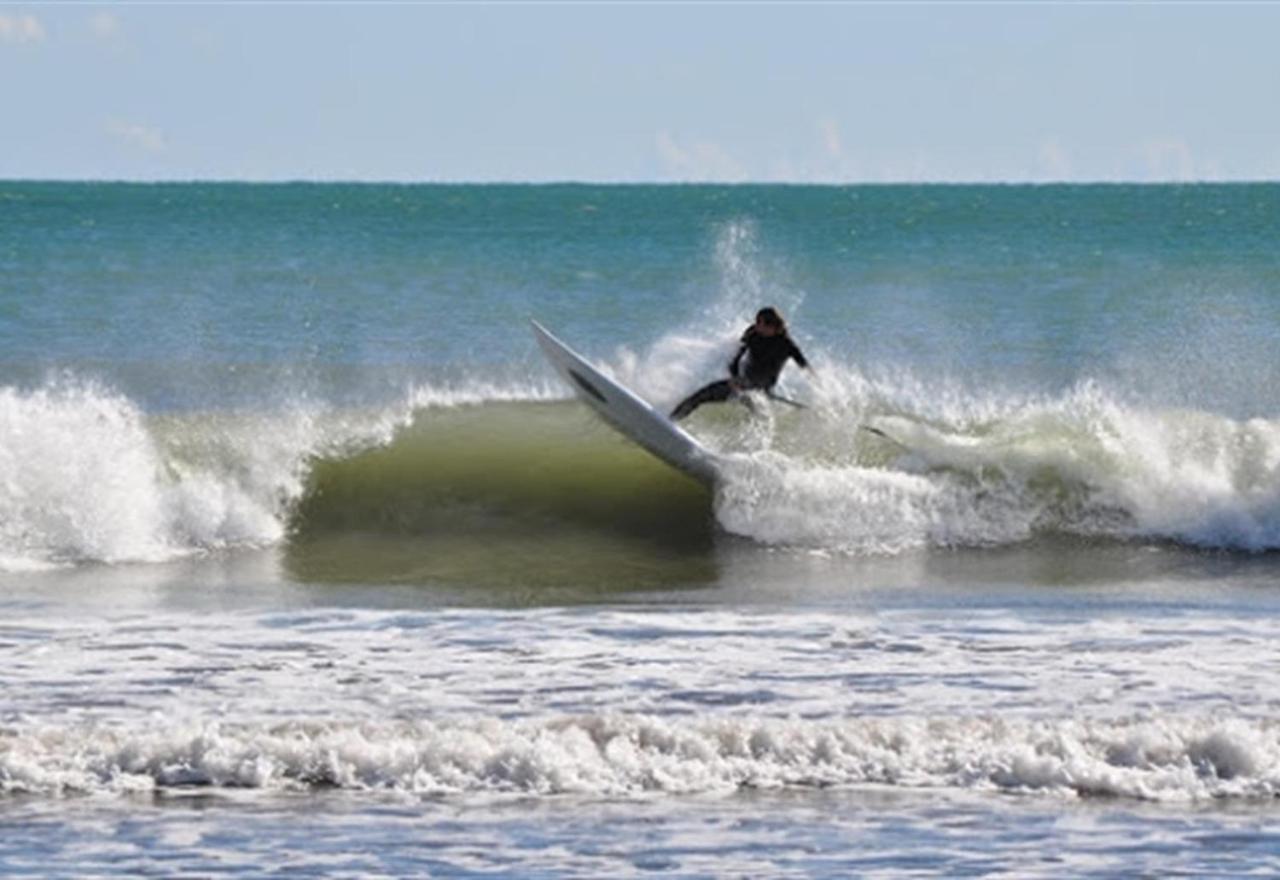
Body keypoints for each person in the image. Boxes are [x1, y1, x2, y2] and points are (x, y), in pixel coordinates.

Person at [670, 306, 809, 421]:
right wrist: (735, 377)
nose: (757, 325)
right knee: (700, 396)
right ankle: (671, 420)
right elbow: (736, 358)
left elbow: (805, 366)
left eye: (761, 323)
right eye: (757, 321)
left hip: (762, 388)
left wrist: (820, 389)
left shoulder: (787, 345)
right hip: (743, 383)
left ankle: (752, 452)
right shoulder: (752, 333)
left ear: (772, 326)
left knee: (757, 420)